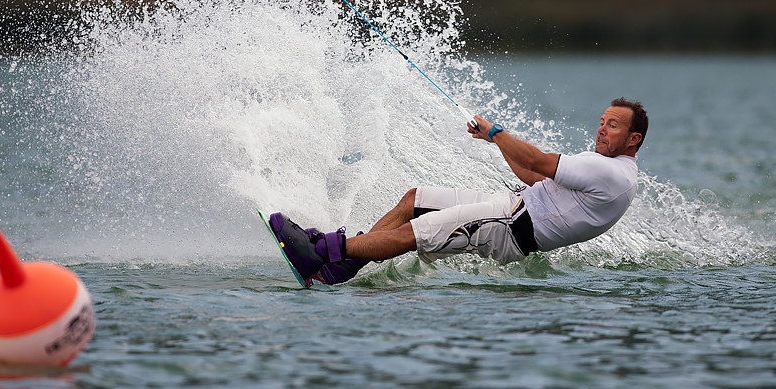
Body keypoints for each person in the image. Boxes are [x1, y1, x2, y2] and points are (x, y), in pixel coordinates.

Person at [267, 98, 648, 286]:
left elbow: (536, 159)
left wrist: (497, 131)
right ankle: (341, 268)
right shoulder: (608, 169)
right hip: (512, 208)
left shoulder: (610, 172)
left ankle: (320, 253)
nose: (602, 129)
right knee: (414, 200)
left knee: (413, 235)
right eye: (602, 122)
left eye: (612, 126)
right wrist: (494, 141)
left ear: (633, 139)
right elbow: (534, 175)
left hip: (511, 227)